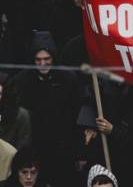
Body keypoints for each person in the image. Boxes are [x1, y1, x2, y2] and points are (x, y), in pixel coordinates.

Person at [12, 31, 80, 185]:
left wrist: (78, 151)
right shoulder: (22, 80)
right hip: (35, 147)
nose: (42, 64)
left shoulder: (68, 79)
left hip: (63, 147)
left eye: (46, 59)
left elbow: (76, 114)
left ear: (53, 58)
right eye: (38, 60)